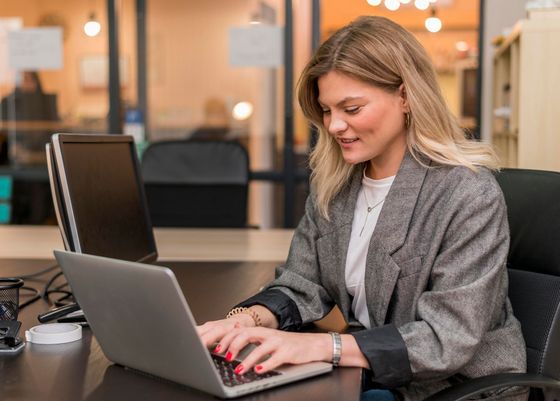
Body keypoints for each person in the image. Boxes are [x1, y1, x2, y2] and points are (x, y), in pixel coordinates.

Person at [198, 16, 527, 401]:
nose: (335, 125)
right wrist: (244, 322)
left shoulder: (467, 193)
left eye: (351, 108)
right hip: (379, 378)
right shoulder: (338, 185)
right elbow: (302, 281)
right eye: (326, 110)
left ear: (405, 97)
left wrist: (326, 348)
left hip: (457, 389)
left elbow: (446, 337)